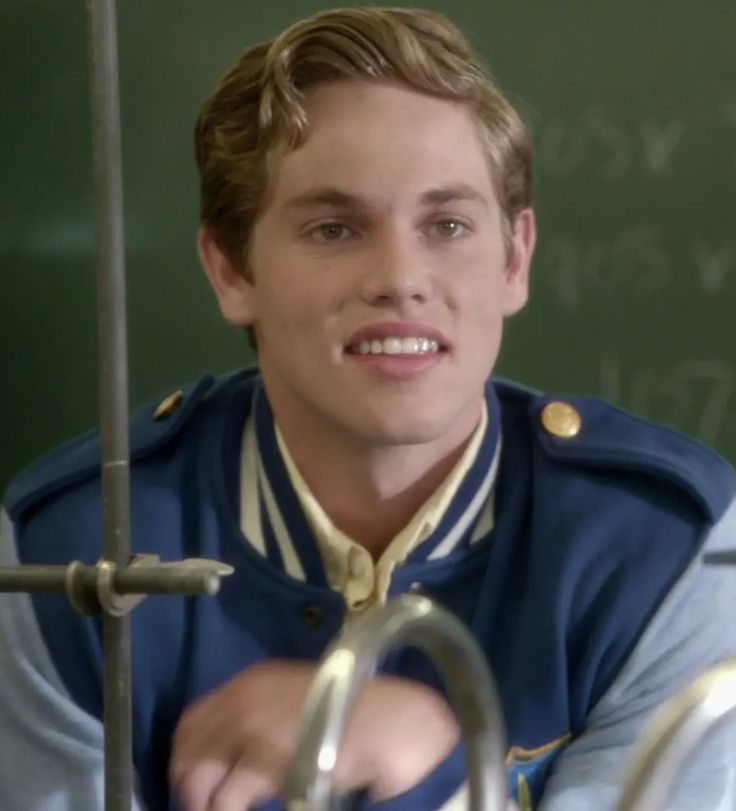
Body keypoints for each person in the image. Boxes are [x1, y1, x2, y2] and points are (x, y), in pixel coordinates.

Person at [1, 6, 735, 811]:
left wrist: (441, 764)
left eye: (448, 223)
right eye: (333, 228)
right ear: (231, 269)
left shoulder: (668, 548)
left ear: (515, 259)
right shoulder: (71, 548)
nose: (400, 277)